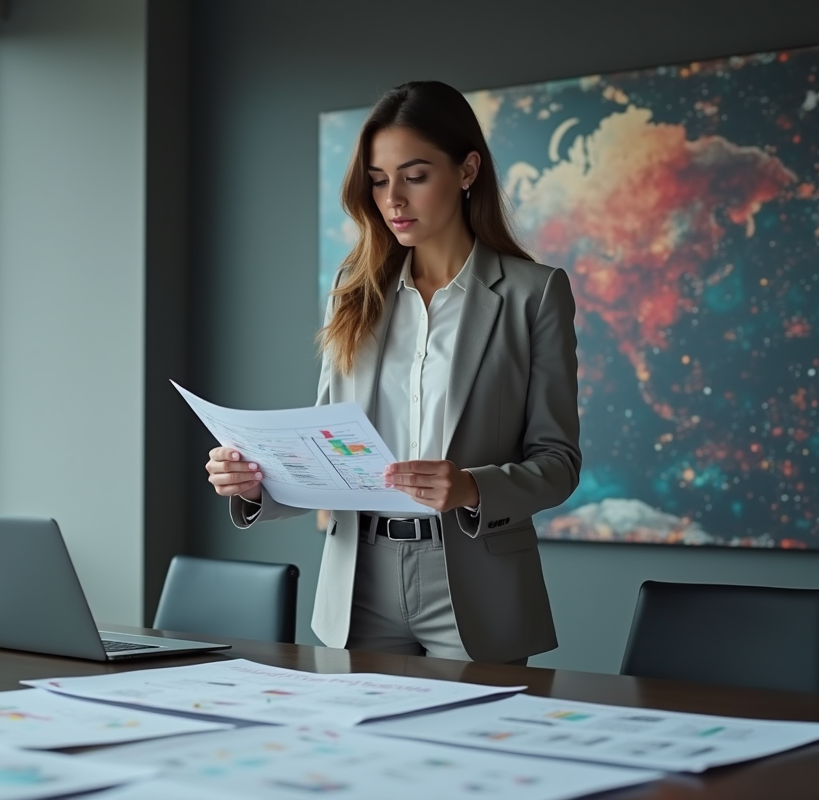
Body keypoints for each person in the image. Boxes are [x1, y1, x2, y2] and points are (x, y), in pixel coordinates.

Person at [204, 80, 581, 664]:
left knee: (474, 750)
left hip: (476, 582)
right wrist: (257, 484)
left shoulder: (535, 294)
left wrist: (472, 486)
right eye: (379, 181)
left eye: (415, 175)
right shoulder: (352, 294)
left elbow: (558, 462)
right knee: (360, 754)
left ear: (467, 169)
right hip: (360, 580)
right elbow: (326, 456)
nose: (393, 200)